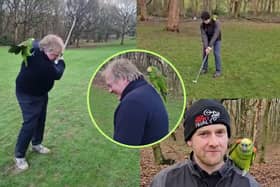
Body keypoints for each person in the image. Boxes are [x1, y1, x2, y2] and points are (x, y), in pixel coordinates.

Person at [150, 99, 260, 187]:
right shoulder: (164, 181)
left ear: (228, 137)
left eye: (220, 132)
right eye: (204, 134)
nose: (214, 143)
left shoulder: (249, 184)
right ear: (189, 140)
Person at [14, 34, 66, 170]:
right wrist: (61, 61)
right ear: (46, 50)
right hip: (27, 94)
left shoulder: (37, 46)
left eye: (58, 55)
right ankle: (19, 156)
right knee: (30, 123)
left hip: (41, 93)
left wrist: (57, 54)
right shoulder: (44, 65)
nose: (56, 57)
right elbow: (58, 74)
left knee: (41, 119)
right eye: (55, 55)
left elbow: (33, 41)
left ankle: (37, 144)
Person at [102, 58, 169, 146]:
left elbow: (123, 148)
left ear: (123, 78)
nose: (109, 91)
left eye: (110, 85)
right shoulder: (148, 90)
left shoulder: (132, 103)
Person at [200, 11, 222, 78]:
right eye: (203, 20)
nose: (205, 22)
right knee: (205, 53)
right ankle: (204, 69)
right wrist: (207, 47)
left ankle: (218, 71)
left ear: (209, 18)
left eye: (206, 20)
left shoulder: (216, 22)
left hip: (217, 39)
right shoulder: (202, 25)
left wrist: (210, 46)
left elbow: (216, 34)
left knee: (216, 53)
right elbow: (204, 36)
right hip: (208, 39)